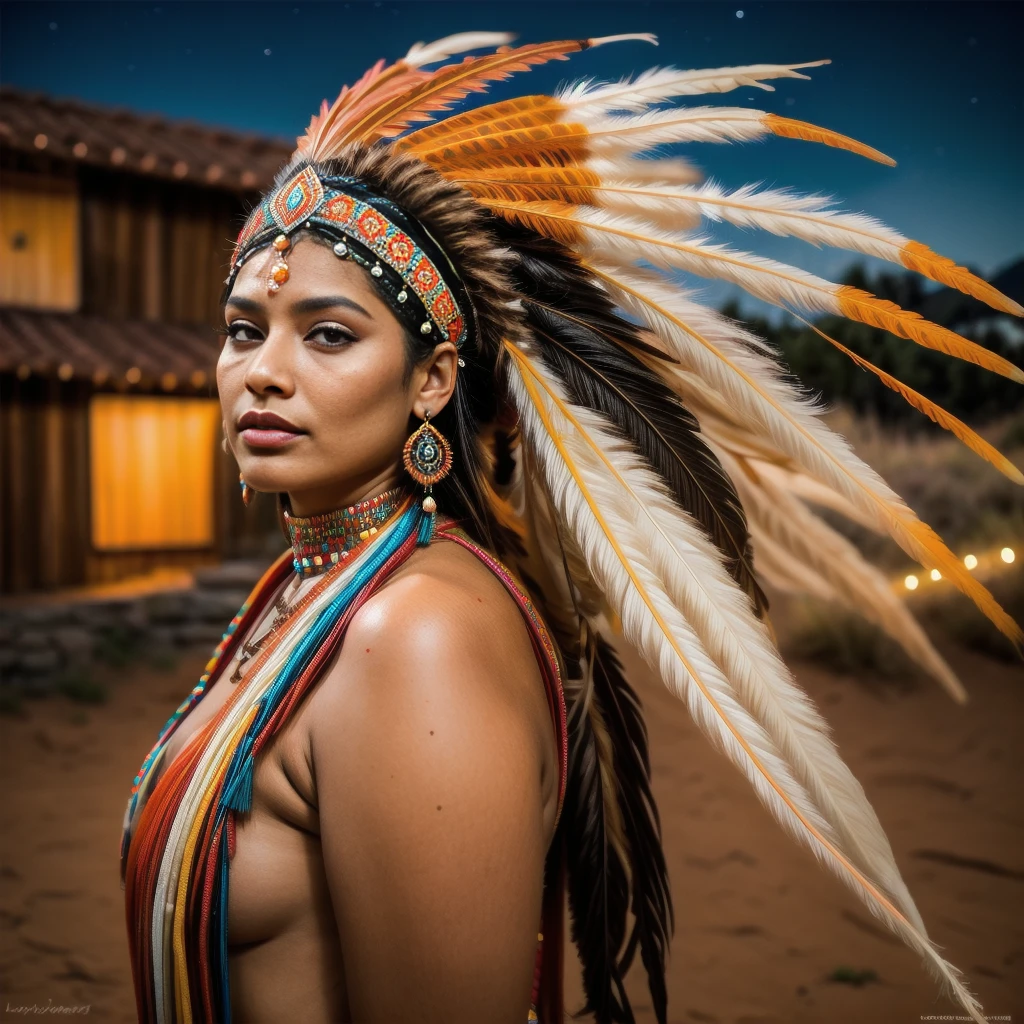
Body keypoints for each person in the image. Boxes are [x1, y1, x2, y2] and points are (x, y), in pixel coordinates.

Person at [121, 31, 1021, 1024]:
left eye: (328, 333)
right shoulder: (309, 589)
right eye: (244, 328)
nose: (264, 370)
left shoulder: (416, 636)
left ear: (431, 379)